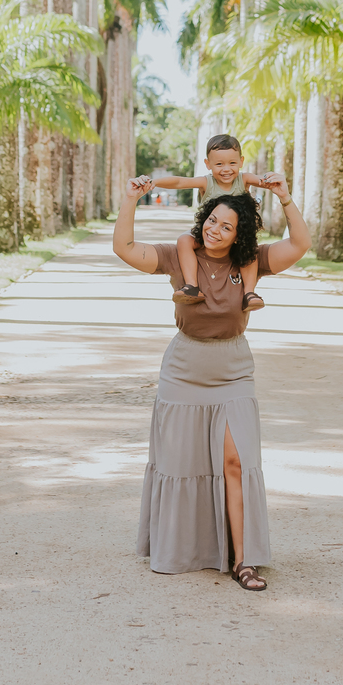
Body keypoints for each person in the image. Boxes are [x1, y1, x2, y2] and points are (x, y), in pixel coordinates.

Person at [113, 167, 311, 591]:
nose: (215, 230)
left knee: (235, 462)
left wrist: (285, 198)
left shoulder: (251, 262)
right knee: (180, 465)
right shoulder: (179, 256)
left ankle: (243, 561)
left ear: (238, 235)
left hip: (233, 371)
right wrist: (130, 199)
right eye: (211, 220)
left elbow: (299, 244)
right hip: (183, 369)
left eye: (226, 225)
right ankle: (183, 550)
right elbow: (125, 248)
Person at [150, 133, 266, 311]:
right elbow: (180, 181)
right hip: (208, 236)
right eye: (219, 164)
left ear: (241, 162)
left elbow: (266, 182)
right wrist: (153, 182)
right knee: (184, 240)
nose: (226, 169)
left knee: (250, 247)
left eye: (232, 163)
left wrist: (274, 182)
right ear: (208, 164)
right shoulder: (207, 182)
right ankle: (191, 286)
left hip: (236, 237)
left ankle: (249, 294)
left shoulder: (244, 179)